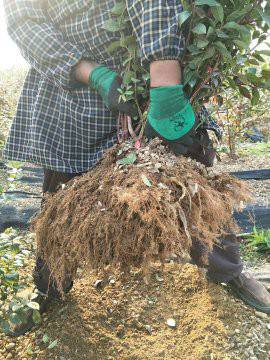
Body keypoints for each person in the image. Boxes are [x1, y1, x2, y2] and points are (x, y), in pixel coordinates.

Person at [3, 0, 269, 336]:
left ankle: (229, 273)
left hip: (150, 76)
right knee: (59, 202)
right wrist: (92, 73)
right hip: (69, 90)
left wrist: (165, 86)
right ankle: (47, 291)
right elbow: (26, 22)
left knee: (196, 184)